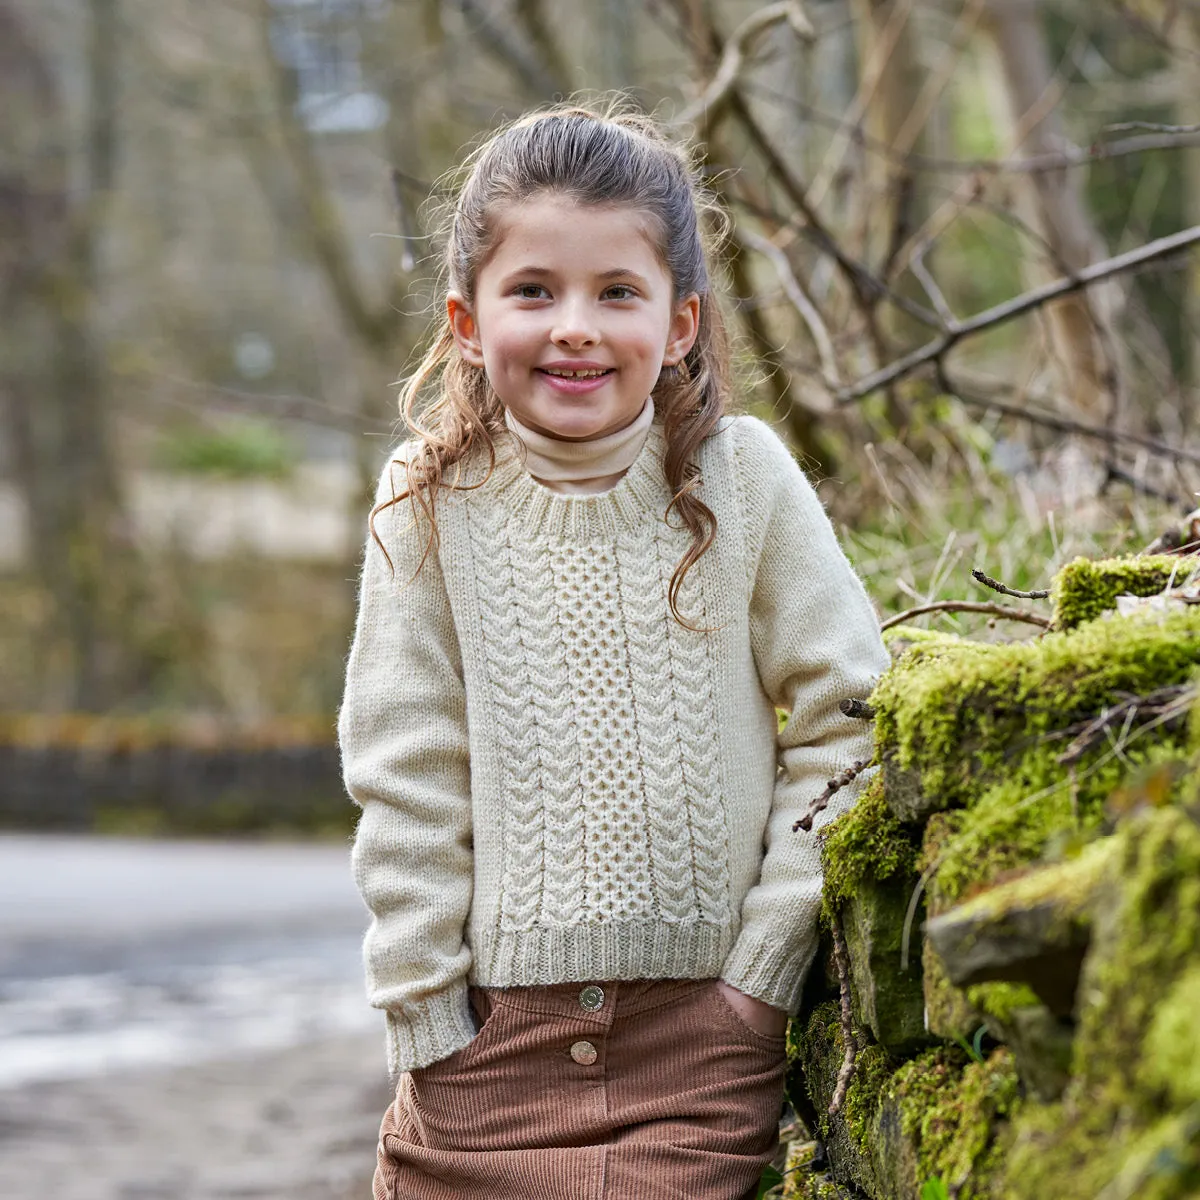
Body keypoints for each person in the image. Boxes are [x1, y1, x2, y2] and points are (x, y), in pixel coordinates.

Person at [338, 99, 889, 1200]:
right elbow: (405, 771)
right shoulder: (428, 502)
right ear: (465, 318)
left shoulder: (744, 480)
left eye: (617, 293)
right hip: (482, 1064)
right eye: (533, 291)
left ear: (681, 322)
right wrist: (427, 1022)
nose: (575, 326)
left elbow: (848, 717)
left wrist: (759, 982)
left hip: (700, 1053)